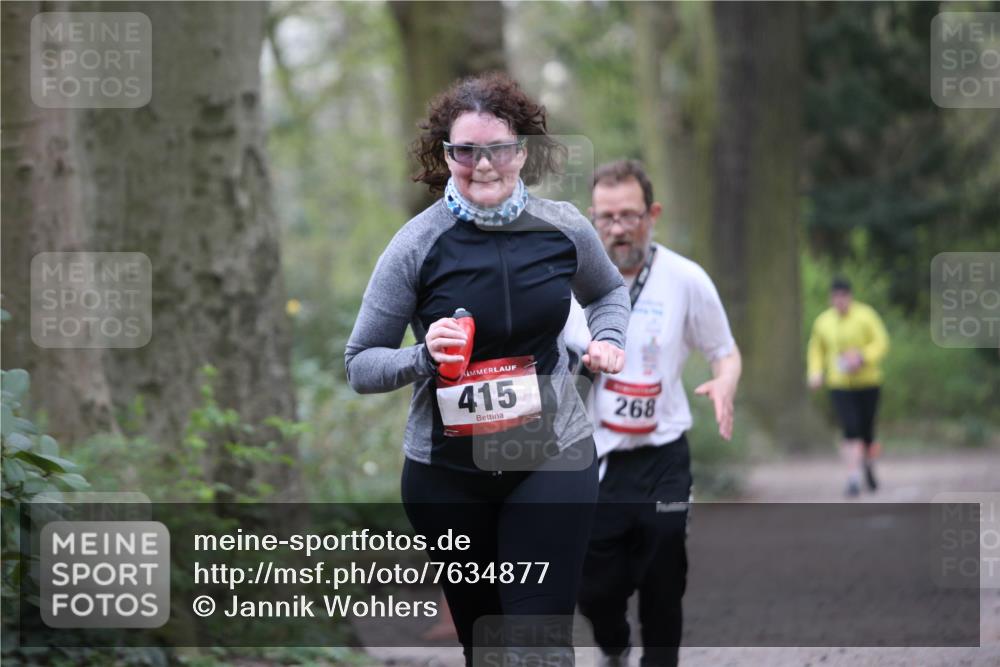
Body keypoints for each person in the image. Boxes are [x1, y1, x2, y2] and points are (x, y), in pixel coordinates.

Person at [344, 72, 629, 666]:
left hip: (551, 456)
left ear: (522, 151)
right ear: (446, 156)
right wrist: (424, 357)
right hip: (447, 476)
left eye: (496, 149)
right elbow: (361, 363)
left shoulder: (564, 227)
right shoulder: (416, 245)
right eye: (464, 151)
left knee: (538, 640)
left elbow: (607, 293)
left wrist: (606, 339)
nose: (481, 164)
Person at [564, 160, 741, 667]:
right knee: (594, 588)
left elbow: (724, 350)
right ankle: (614, 646)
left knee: (665, 563)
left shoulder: (686, 279)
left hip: (664, 453)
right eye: (606, 218)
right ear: (591, 219)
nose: (618, 229)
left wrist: (725, 380)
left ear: (653, 213)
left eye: (629, 216)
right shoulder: (570, 287)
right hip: (593, 459)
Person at [807, 277, 889, 497]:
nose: (839, 302)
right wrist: (815, 372)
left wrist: (862, 357)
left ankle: (869, 466)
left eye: (843, 297)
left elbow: (881, 342)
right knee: (849, 428)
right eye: (835, 298)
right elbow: (816, 349)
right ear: (831, 299)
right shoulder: (823, 322)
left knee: (867, 431)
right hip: (839, 383)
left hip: (868, 381)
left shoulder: (866, 315)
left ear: (850, 297)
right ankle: (852, 478)